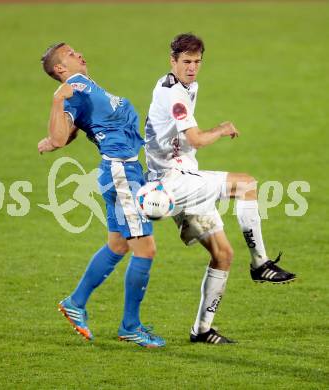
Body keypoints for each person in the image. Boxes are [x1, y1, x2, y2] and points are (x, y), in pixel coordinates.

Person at [144, 33, 296, 344]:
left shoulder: (185, 87)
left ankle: (201, 331)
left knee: (223, 255)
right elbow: (197, 138)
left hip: (180, 178)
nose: (192, 68)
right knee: (247, 184)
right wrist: (222, 129)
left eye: (197, 62)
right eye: (186, 62)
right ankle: (261, 264)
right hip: (174, 181)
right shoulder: (174, 95)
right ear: (172, 61)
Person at [38, 42, 165, 348]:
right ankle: (130, 326)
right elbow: (58, 135)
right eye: (70, 54)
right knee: (145, 250)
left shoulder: (83, 90)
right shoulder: (72, 86)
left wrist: (54, 140)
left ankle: (75, 302)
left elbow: (62, 136)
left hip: (124, 171)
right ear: (60, 69)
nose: (79, 53)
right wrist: (57, 100)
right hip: (120, 173)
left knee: (118, 244)